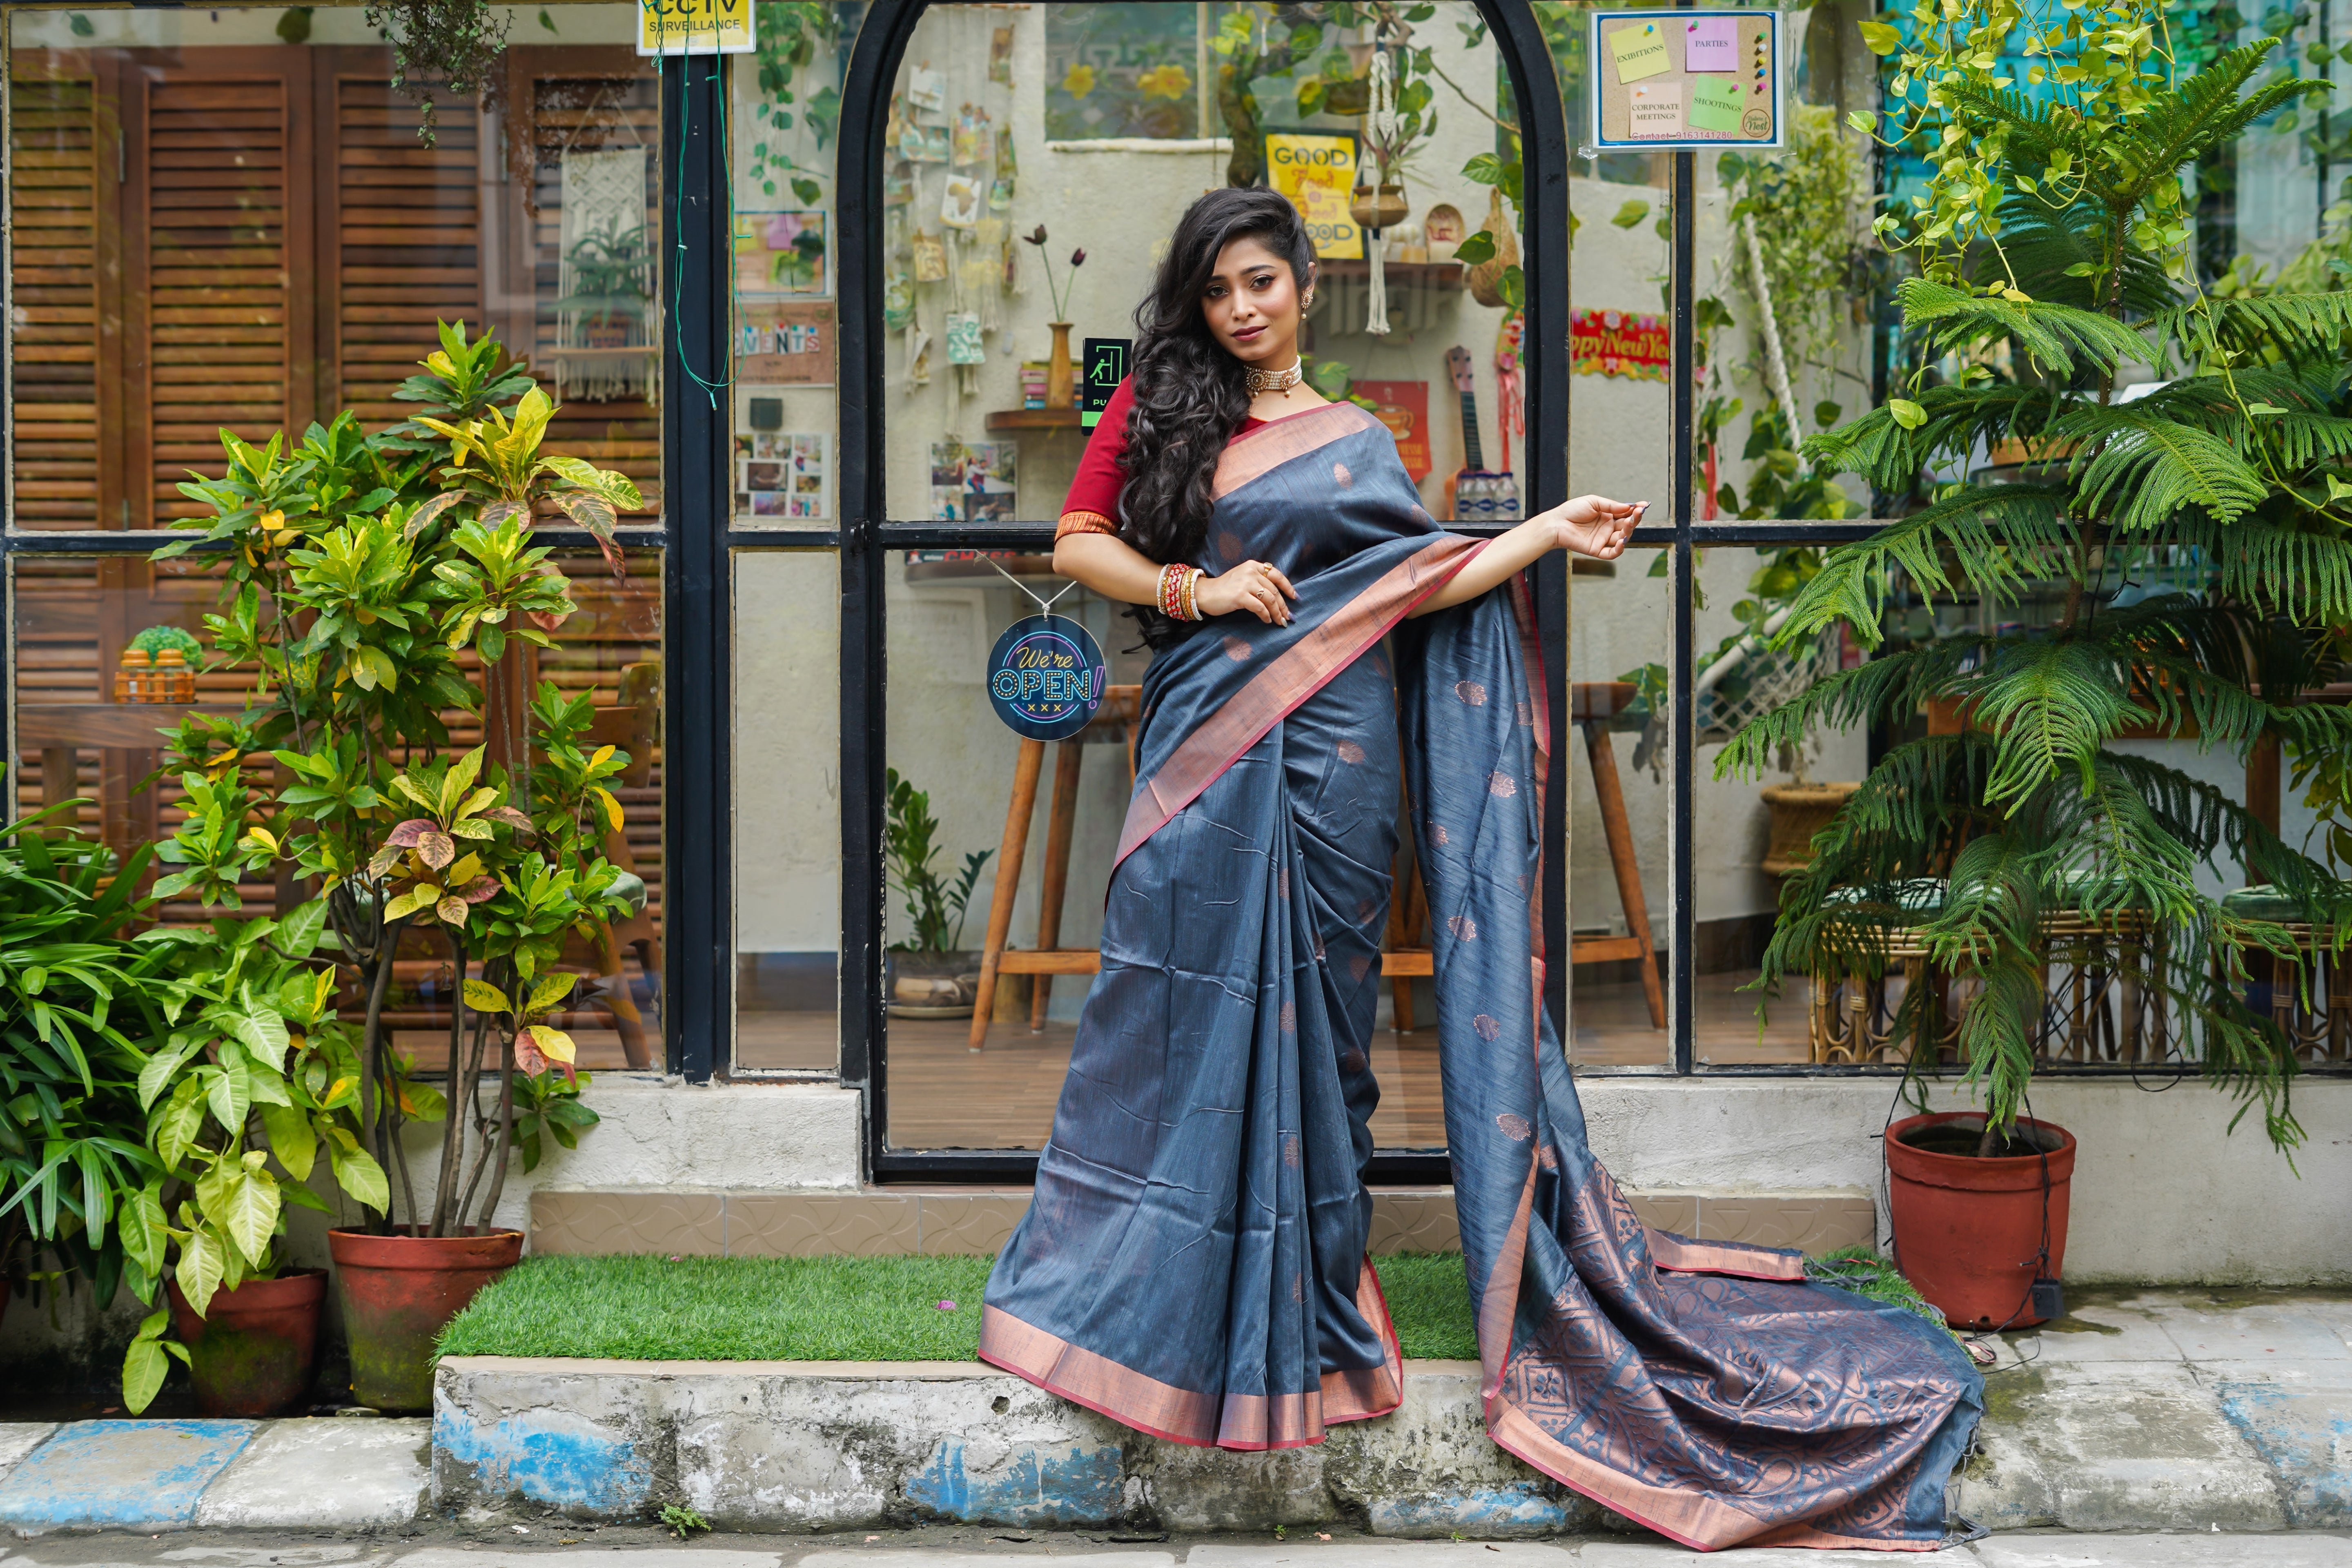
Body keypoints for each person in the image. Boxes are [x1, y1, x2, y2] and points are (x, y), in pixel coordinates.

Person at [979, 187, 1982, 1552]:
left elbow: (1420, 581)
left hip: (1338, 763)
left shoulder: (1353, 440)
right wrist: (1195, 592)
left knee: (1325, 1020)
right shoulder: (1163, 409)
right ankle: (1144, 1283)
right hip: (1205, 750)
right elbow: (1076, 542)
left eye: (1261, 282)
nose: (1241, 309)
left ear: (1304, 286)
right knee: (1164, 1013)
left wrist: (1549, 532)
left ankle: (1316, 1295)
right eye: (1219, 290)